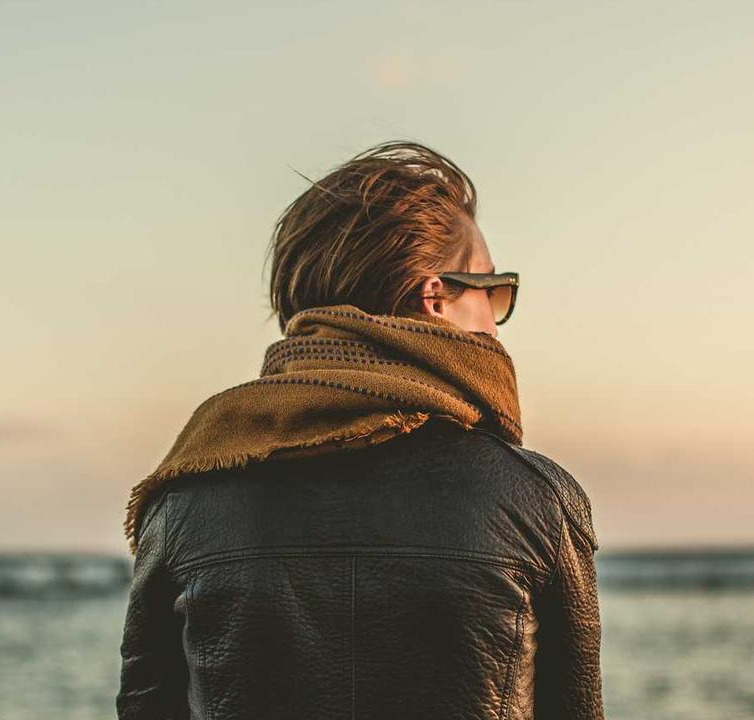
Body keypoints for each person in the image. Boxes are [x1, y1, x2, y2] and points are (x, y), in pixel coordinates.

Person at [117, 140, 603, 719]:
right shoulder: (537, 500)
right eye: (492, 291)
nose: (496, 325)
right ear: (435, 298)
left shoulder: (182, 503)